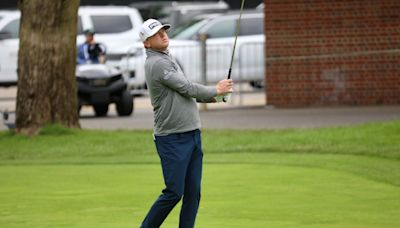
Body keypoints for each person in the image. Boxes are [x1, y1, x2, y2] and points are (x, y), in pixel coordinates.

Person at [139, 19, 233, 228]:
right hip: (172, 138)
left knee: (193, 193)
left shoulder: (168, 58)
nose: (163, 35)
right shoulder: (157, 63)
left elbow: (183, 95)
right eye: (156, 34)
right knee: (174, 192)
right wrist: (216, 90)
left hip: (191, 134)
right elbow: (187, 88)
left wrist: (214, 97)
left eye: (163, 31)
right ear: (146, 43)